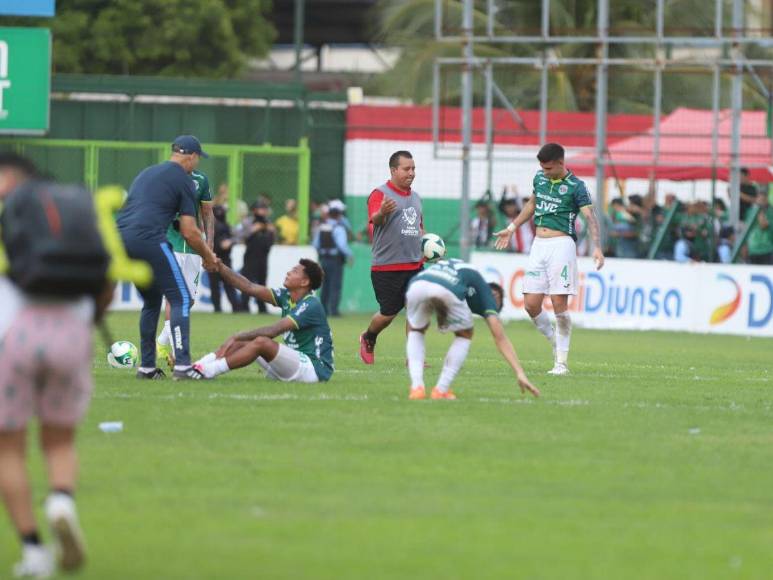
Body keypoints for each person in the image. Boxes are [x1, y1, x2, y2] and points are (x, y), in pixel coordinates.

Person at [0, 154, 112, 577]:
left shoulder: (14, 220)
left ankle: (33, 550)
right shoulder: (74, 214)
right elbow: (106, 282)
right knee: (59, 441)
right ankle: (61, 501)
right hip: (72, 333)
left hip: (16, 336)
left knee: (8, 448)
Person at [494, 142, 604, 376]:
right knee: (530, 304)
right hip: (538, 245)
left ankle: (561, 363)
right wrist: (511, 228)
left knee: (558, 304)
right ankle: (554, 341)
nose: (544, 172)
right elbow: (532, 204)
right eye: (542, 168)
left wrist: (597, 247)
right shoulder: (540, 179)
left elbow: (590, 217)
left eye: (548, 168)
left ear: (561, 163)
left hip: (561, 245)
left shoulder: (576, 186)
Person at [117, 135, 219, 380]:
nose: (197, 163)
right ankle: (183, 366)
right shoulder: (184, 180)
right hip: (149, 238)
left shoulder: (147, 173)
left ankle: (147, 368)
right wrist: (208, 255)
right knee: (181, 298)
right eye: (198, 158)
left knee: (152, 301)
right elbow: (189, 231)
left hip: (121, 238)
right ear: (191, 156)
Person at [404, 259, 540, 400]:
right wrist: (520, 372)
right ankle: (441, 390)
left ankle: (417, 388)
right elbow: (499, 337)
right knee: (465, 334)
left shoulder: (465, 276)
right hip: (444, 288)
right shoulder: (484, 289)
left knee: (416, 330)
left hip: (416, 284)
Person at [194, 259, 334, 383]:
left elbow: (274, 331)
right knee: (246, 340)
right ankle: (197, 366)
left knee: (261, 342)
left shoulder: (311, 304)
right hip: (294, 362)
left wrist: (237, 336)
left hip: (314, 369)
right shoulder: (287, 296)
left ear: (305, 282)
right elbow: (249, 287)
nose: (288, 272)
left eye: (295, 271)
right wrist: (220, 267)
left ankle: (208, 371)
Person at [359, 150, 424, 364]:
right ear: (394, 170)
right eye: (406, 169)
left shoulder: (416, 198)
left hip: (415, 265)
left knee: (416, 310)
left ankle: (413, 357)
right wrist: (383, 212)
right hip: (387, 267)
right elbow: (375, 221)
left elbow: (419, 228)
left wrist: (429, 247)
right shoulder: (380, 194)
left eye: (413, 168)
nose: (411, 173)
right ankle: (369, 337)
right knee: (387, 315)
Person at [156, 168, 215, 366]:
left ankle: (162, 341)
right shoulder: (165, 176)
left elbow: (207, 212)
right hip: (170, 243)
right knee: (174, 298)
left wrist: (209, 245)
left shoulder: (201, 179)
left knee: (188, 301)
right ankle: (178, 353)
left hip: (194, 246)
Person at [313, 202, 352, 316]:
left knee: (325, 286)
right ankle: (333, 310)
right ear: (339, 215)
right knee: (335, 285)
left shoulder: (322, 227)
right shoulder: (338, 228)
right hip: (335, 260)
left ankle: (324, 309)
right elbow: (342, 245)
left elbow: (315, 244)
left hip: (324, 259)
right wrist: (349, 255)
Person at [239, 200, 276, 313]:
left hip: (263, 256)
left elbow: (273, 239)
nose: (263, 211)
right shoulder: (248, 222)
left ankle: (262, 307)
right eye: (261, 209)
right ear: (254, 210)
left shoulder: (268, 223)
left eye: (265, 209)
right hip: (251, 256)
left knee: (262, 282)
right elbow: (240, 235)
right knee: (247, 281)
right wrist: (253, 229)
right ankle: (244, 306)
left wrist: (272, 231)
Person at [208, 204, 242, 312]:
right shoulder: (221, 226)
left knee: (217, 286)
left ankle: (218, 308)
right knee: (228, 284)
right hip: (220, 259)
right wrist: (231, 241)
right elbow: (222, 245)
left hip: (214, 259)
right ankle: (235, 308)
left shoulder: (214, 225)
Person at [746, 192, 773, 265]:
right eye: (760, 200)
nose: (761, 202)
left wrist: (760, 210)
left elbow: (763, 225)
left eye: (763, 200)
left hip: (767, 249)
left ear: (767, 200)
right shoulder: (750, 211)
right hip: (753, 249)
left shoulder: (770, 212)